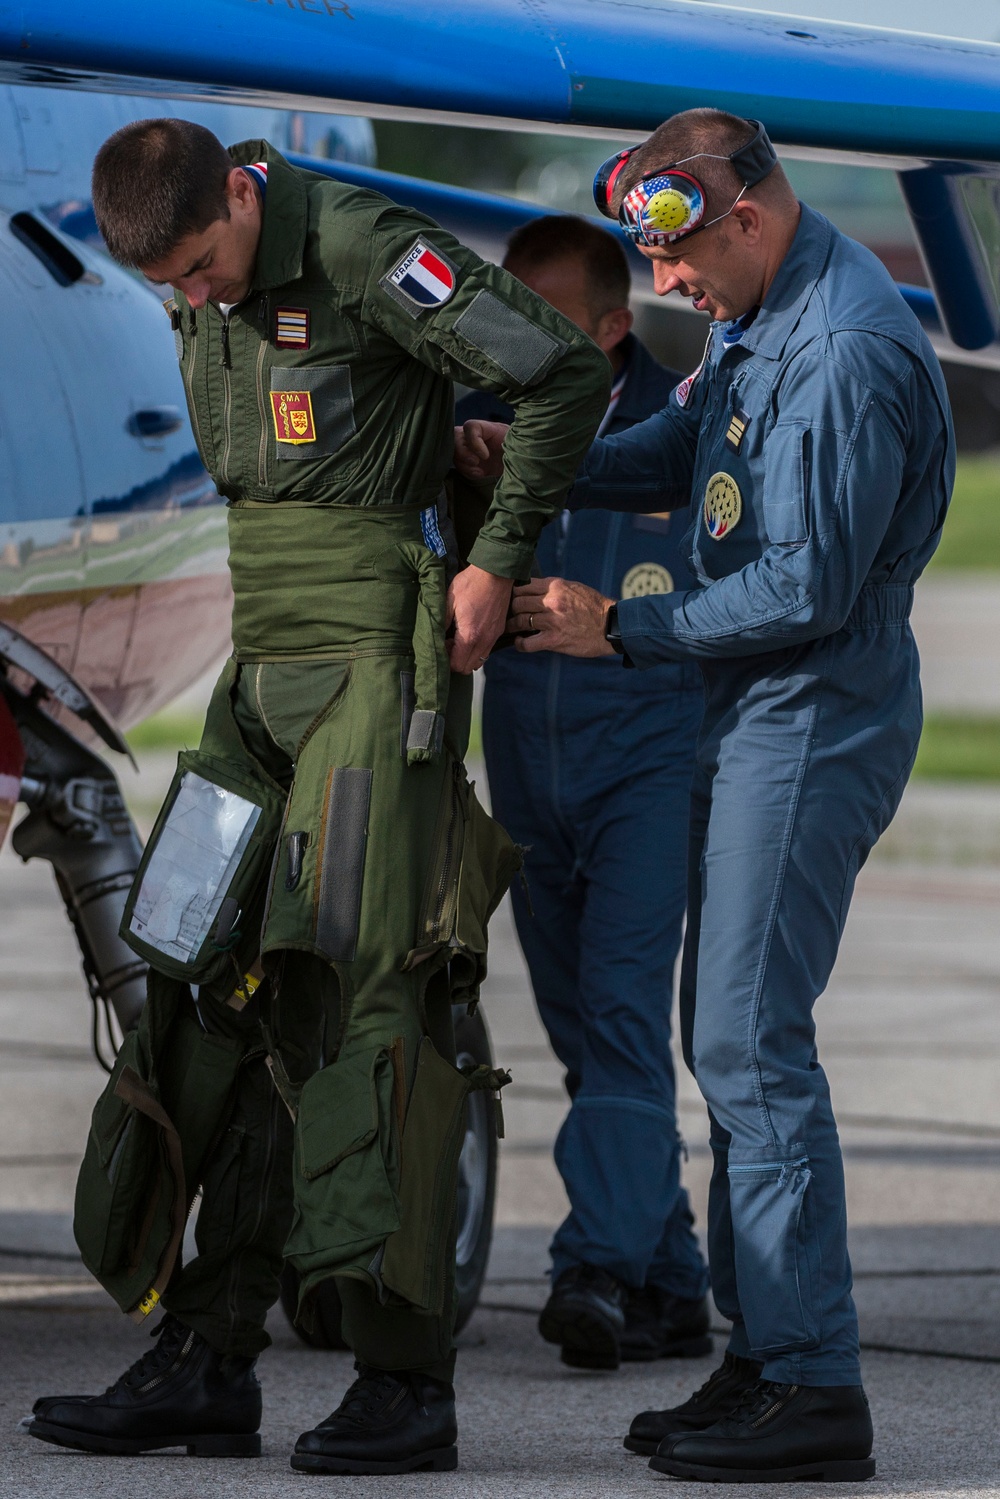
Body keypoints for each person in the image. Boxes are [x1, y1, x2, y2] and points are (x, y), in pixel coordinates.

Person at [26, 119, 610, 1475]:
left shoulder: (359, 247)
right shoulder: (204, 270)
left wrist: (491, 553)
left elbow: (564, 370)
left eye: (203, 266)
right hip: (263, 669)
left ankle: (407, 1379)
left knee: (359, 988)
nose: (195, 299)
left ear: (244, 195)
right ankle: (209, 1351)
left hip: (372, 666)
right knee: (203, 975)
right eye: (168, 286)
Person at [455, 107, 954, 1483]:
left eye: (680, 266)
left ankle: (812, 1385)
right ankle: (760, 1354)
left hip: (812, 713)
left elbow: (807, 584)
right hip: (755, 712)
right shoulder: (756, 309)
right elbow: (687, 458)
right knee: (721, 1039)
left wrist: (623, 621)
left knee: (747, 1043)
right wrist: (533, 458)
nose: (668, 291)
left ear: (745, 214)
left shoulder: (844, 347)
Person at [456, 215, 711, 1372]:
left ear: (613, 328)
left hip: (645, 763)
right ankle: (670, 1282)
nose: (516, 340)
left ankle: (595, 1265)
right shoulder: (481, 430)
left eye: (545, 318)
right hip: (526, 771)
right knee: (583, 1039)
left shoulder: (690, 421)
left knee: (618, 1021)